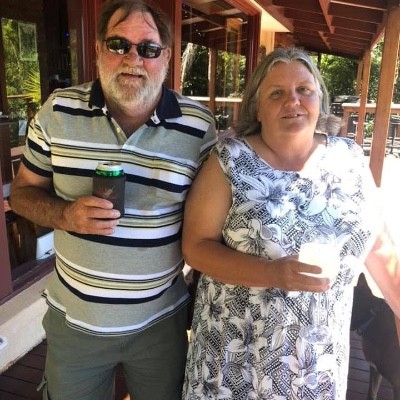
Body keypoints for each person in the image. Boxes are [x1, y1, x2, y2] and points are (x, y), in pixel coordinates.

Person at [9, 1, 216, 399]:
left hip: (160, 323)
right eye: (118, 44)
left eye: (148, 48)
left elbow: (211, 218)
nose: (133, 59)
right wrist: (65, 214)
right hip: (76, 322)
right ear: (98, 49)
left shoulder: (197, 126)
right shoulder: (58, 111)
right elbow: (21, 194)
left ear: (166, 57)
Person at [181, 47, 400, 400]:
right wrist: (271, 273)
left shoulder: (349, 158)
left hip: (317, 368)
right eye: (277, 93)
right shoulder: (230, 160)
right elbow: (195, 247)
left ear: (320, 99)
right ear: (257, 107)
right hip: (235, 365)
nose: (293, 101)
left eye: (304, 90)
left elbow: (378, 245)